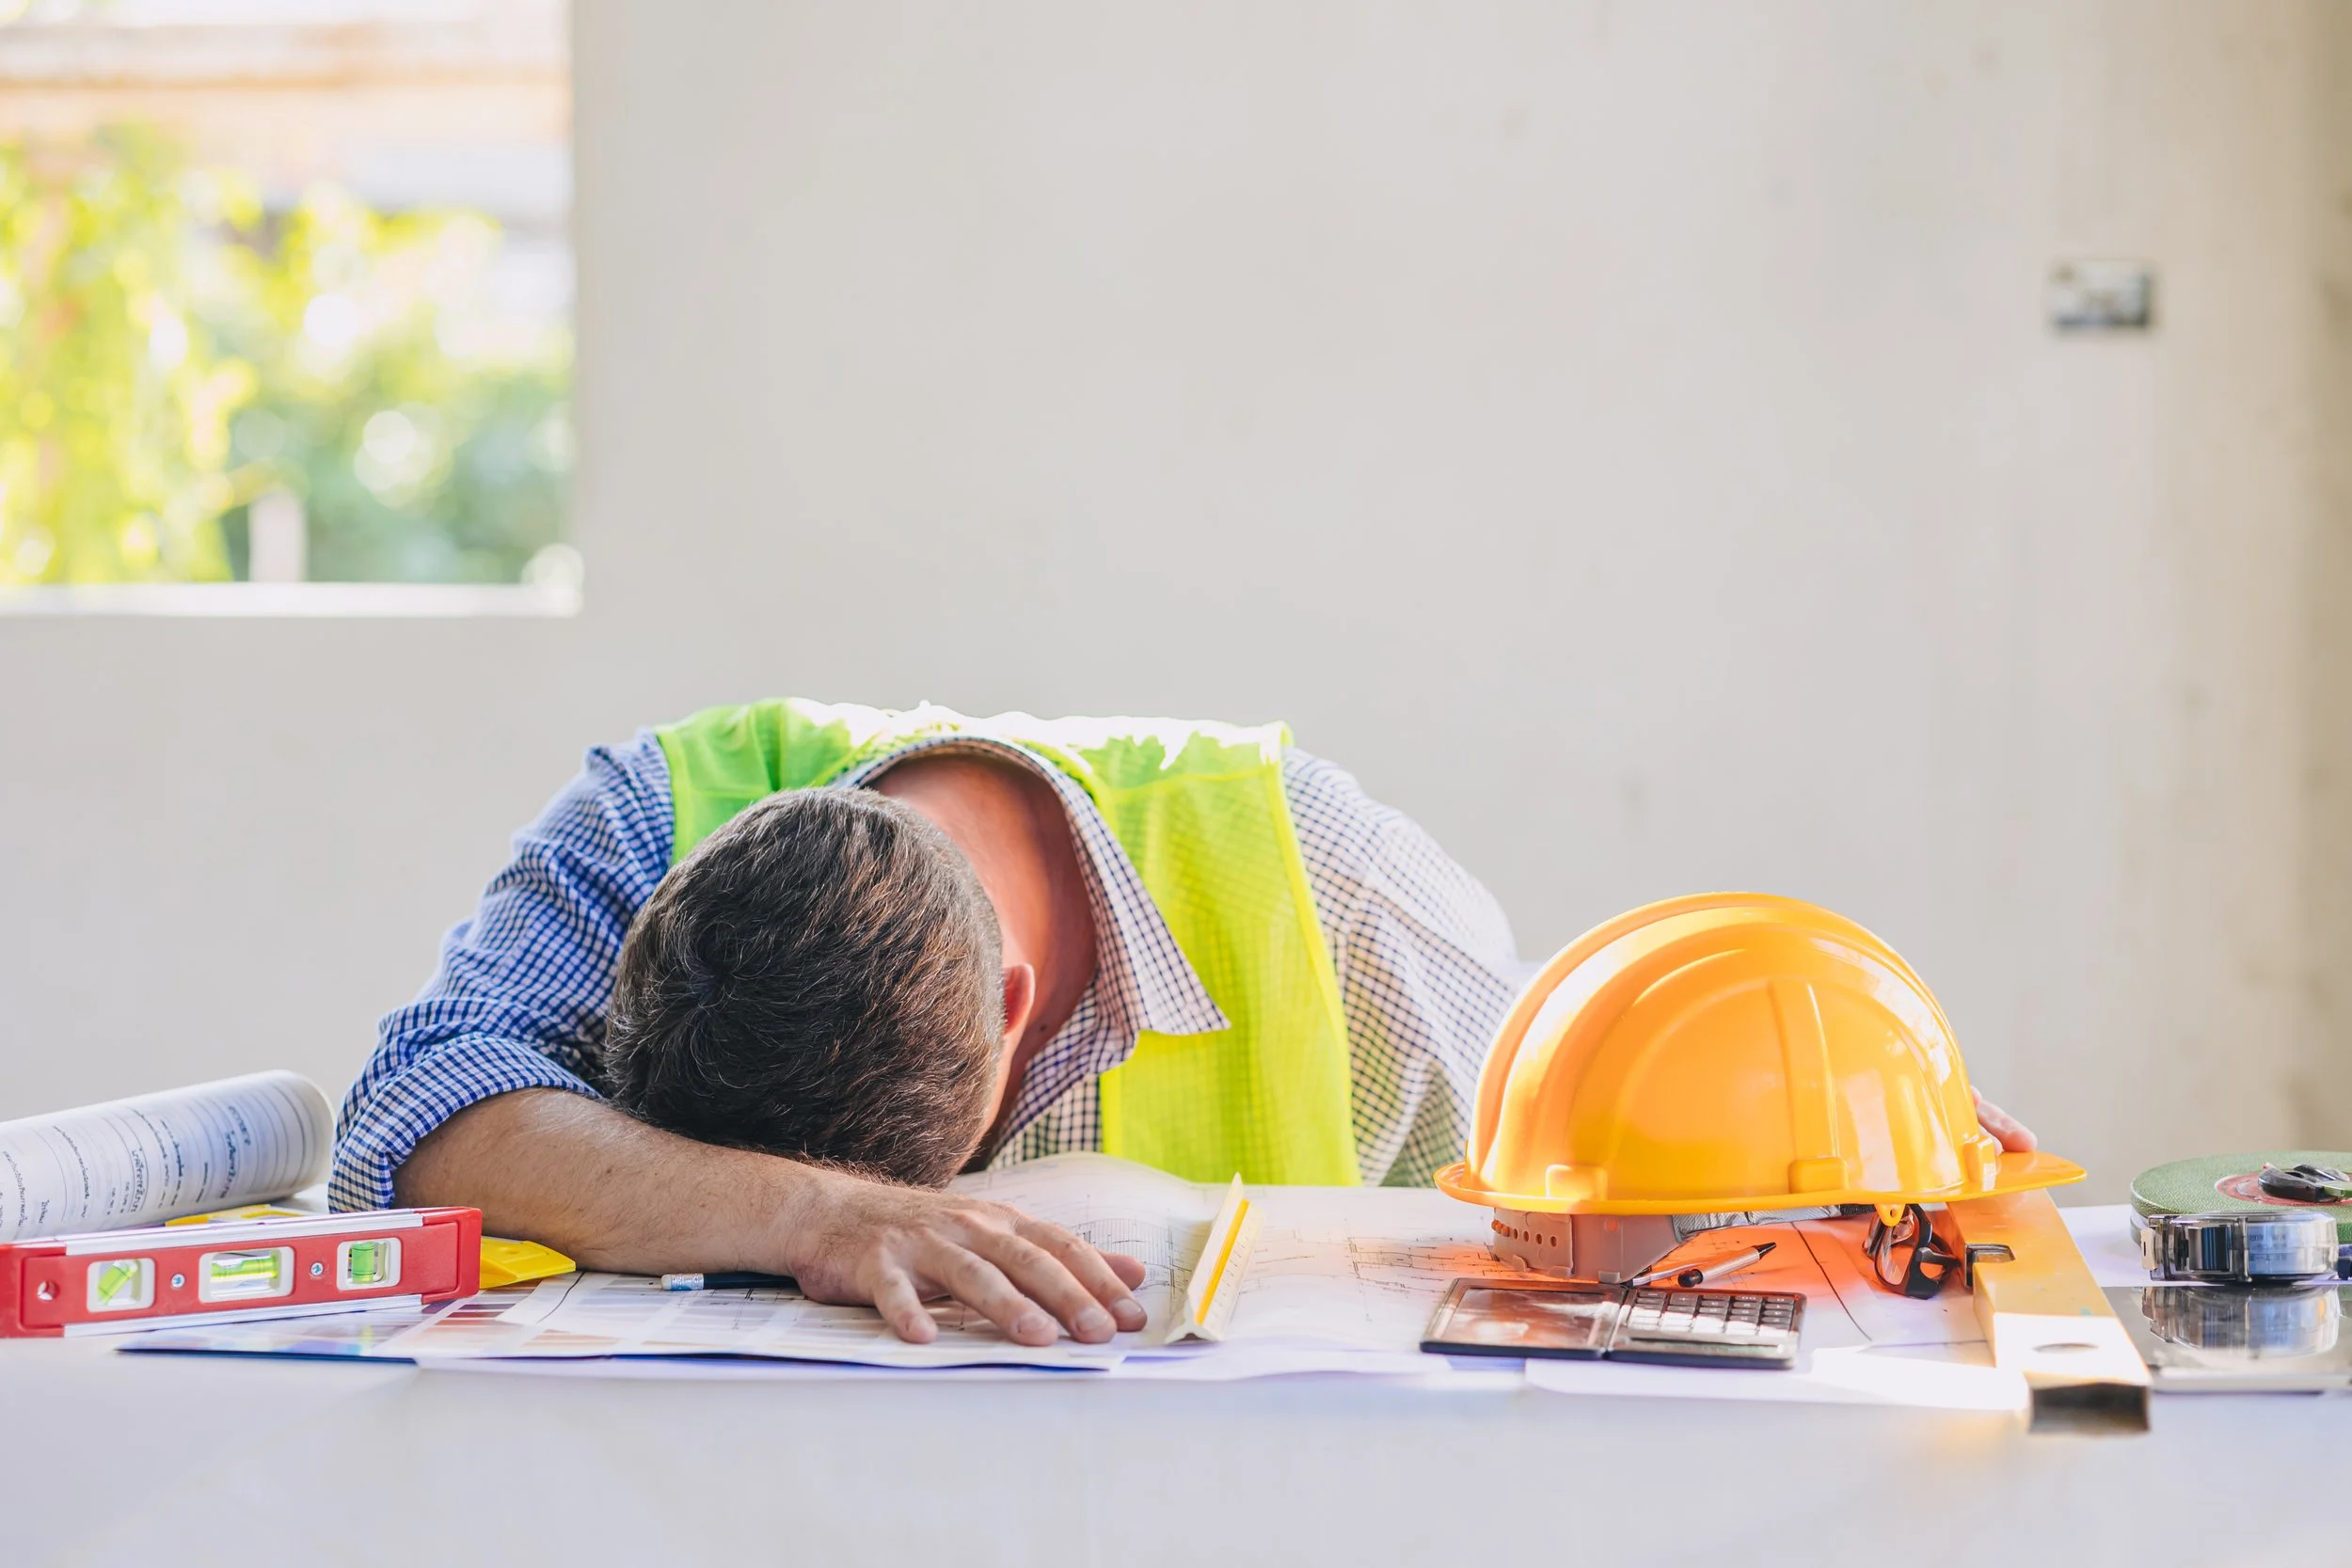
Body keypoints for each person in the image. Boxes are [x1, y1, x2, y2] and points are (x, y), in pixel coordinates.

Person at [338, 698, 2037, 1347]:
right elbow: (406, 1119)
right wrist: (811, 1213)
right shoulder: (649, 820)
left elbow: (1587, 1165)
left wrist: (1859, 1160)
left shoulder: (1340, 892)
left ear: (1018, 1009)